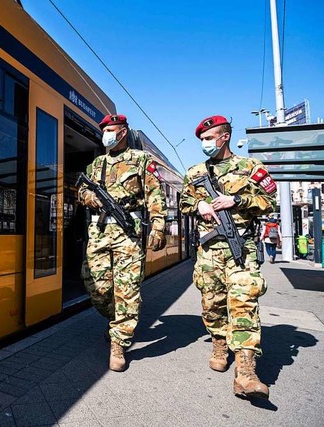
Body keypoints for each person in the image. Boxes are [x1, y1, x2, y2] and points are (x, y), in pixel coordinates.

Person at [180, 115, 277, 399]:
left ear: (225, 137)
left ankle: (246, 371)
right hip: (209, 251)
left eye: (209, 138)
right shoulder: (195, 172)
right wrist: (199, 204)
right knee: (212, 304)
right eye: (202, 139)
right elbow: (184, 201)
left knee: (244, 302)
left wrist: (238, 200)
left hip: (242, 248)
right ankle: (219, 342)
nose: (204, 143)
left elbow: (269, 201)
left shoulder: (250, 167)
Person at [78, 113, 167, 372]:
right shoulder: (97, 164)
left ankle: (119, 342)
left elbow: (155, 195)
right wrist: (88, 198)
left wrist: (158, 226)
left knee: (127, 288)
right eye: (104, 130)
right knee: (97, 287)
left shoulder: (141, 160)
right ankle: (117, 320)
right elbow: (82, 189)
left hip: (128, 232)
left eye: (112, 129)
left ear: (123, 131)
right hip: (99, 231)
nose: (107, 134)